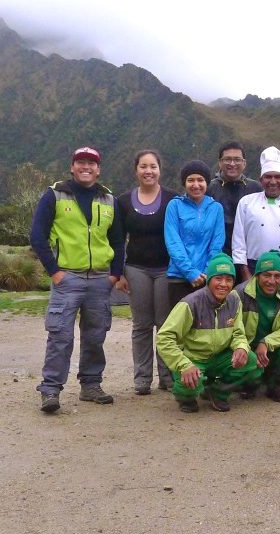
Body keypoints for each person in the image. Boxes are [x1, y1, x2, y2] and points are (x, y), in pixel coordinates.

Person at [30, 146, 124, 413]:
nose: (86, 167)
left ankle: (91, 385)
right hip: (67, 277)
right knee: (60, 336)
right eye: (81, 162)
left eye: (92, 163)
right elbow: (37, 236)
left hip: (99, 280)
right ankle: (50, 390)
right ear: (72, 167)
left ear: (98, 169)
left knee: (95, 335)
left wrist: (114, 274)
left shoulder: (108, 200)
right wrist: (55, 272)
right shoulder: (54, 195)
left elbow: (117, 240)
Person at [156, 253, 263, 413]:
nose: (223, 284)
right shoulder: (190, 303)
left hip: (219, 357)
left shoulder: (234, 301)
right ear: (209, 280)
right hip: (193, 359)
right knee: (191, 386)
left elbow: (238, 334)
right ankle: (185, 397)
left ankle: (218, 391)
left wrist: (241, 347)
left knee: (253, 364)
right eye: (218, 279)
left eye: (229, 279)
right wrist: (184, 365)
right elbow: (164, 338)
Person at [116, 150, 179, 395]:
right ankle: (142, 378)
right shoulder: (123, 202)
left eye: (153, 166)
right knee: (141, 325)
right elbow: (119, 240)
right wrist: (119, 273)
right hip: (136, 269)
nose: (148, 171)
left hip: (167, 269)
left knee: (165, 324)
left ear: (160, 169)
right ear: (136, 170)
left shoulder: (173, 199)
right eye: (143, 166)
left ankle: (166, 376)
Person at [232, 146, 280, 293]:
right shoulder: (246, 203)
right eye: (268, 177)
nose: (273, 181)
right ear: (261, 180)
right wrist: (245, 273)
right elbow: (238, 243)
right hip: (253, 267)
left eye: (277, 177)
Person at [235, 249, 280, 402]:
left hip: (272, 347)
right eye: (266, 275)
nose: (272, 281)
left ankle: (276, 384)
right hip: (247, 348)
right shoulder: (239, 293)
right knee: (249, 369)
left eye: (277, 276)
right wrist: (245, 348)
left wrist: (266, 343)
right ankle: (248, 382)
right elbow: (234, 329)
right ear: (257, 275)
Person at [164, 160, 225, 308]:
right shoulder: (174, 206)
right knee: (179, 326)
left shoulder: (216, 208)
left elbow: (217, 244)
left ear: (207, 182)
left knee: (204, 326)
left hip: (206, 278)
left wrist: (206, 272)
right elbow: (173, 242)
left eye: (200, 180)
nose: (196, 185)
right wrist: (190, 272)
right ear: (184, 183)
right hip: (179, 276)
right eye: (191, 180)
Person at [206, 141, 262, 257]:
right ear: (220, 162)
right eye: (227, 159)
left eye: (237, 159)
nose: (232, 163)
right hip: (218, 255)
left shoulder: (256, 189)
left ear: (244, 163)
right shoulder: (209, 189)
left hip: (250, 254)